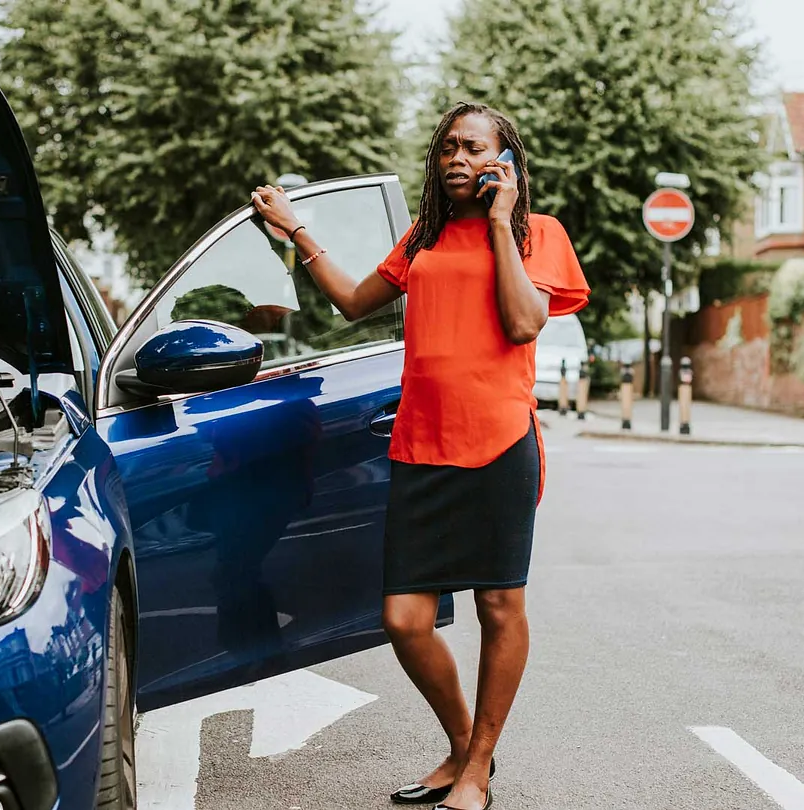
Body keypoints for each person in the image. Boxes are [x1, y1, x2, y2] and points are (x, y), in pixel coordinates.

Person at [251, 101, 589, 810]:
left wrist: (501, 225)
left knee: (500, 604)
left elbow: (527, 320)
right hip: (421, 446)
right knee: (405, 619)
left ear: (506, 161)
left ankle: (477, 769)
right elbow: (351, 302)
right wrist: (295, 230)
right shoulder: (422, 237)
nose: (458, 160)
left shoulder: (539, 235)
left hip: (500, 444)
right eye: (447, 150)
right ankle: (466, 747)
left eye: (474, 148)